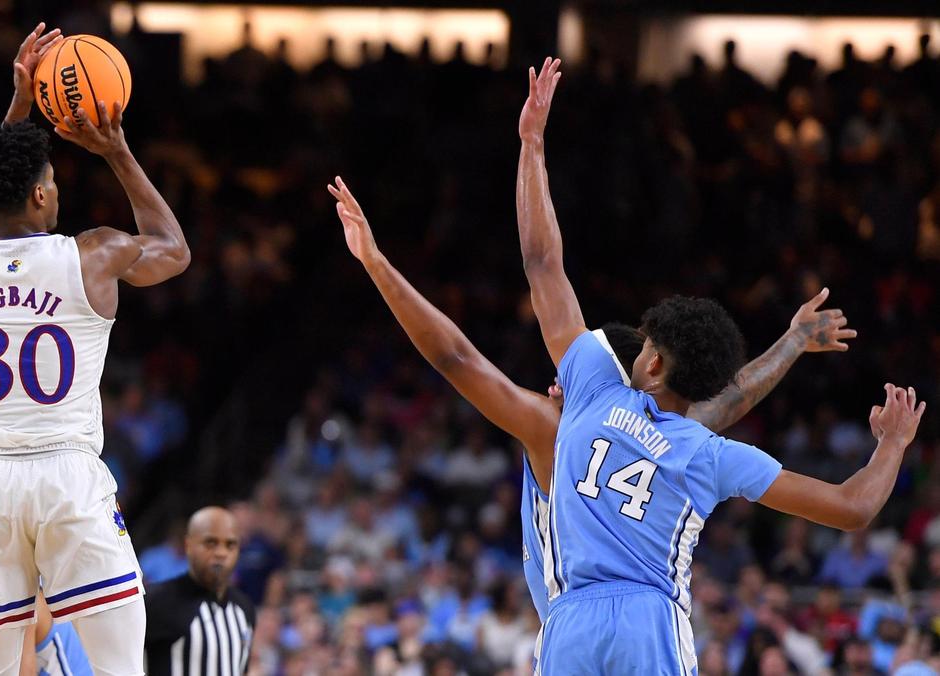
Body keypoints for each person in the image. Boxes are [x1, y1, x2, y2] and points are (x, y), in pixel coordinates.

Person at [327, 175, 853, 666]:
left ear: (635, 377)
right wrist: (792, 343)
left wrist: (376, 264)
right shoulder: (665, 434)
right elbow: (724, 404)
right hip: (629, 622)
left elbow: (458, 356)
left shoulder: (554, 424)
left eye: (569, 370)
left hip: (576, 623)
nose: (558, 377)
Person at [514, 56, 926, 674]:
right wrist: (892, 443)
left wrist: (532, 145)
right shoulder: (704, 450)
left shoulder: (598, 386)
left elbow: (543, 263)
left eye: (647, 346)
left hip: (571, 619)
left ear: (652, 365)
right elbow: (852, 507)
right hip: (649, 620)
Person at [0, 22, 191, 674]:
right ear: (43, 193)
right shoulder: (94, 253)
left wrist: (20, 102)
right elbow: (174, 249)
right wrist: (117, 149)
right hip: (67, 478)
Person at [145, 506, 256, 675]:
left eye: (230, 545)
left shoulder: (244, 608)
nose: (221, 553)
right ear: (188, 544)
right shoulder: (158, 601)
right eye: (211, 543)